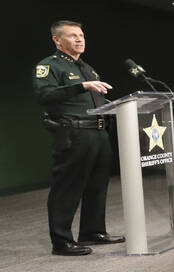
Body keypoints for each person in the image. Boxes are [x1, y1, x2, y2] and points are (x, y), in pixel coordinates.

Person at [34, 20, 124, 256]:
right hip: (74, 133)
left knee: (97, 186)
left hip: (98, 131)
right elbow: (45, 95)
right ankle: (61, 240)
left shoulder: (87, 67)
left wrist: (119, 105)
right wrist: (80, 86)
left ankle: (92, 231)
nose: (79, 39)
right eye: (73, 35)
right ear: (57, 40)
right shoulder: (49, 66)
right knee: (67, 187)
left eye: (81, 35)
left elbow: (95, 100)